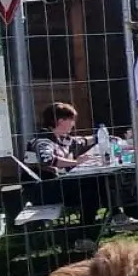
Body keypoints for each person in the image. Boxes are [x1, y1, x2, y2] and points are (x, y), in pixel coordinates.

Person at [25, 102, 109, 246]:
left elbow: (81, 141)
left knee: (98, 182)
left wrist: (105, 137)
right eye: (71, 120)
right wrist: (76, 162)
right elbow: (47, 160)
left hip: (57, 186)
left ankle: (112, 216)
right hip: (43, 190)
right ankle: (85, 236)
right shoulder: (43, 140)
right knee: (90, 187)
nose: (73, 124)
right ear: (60, 121)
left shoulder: (62, 139)